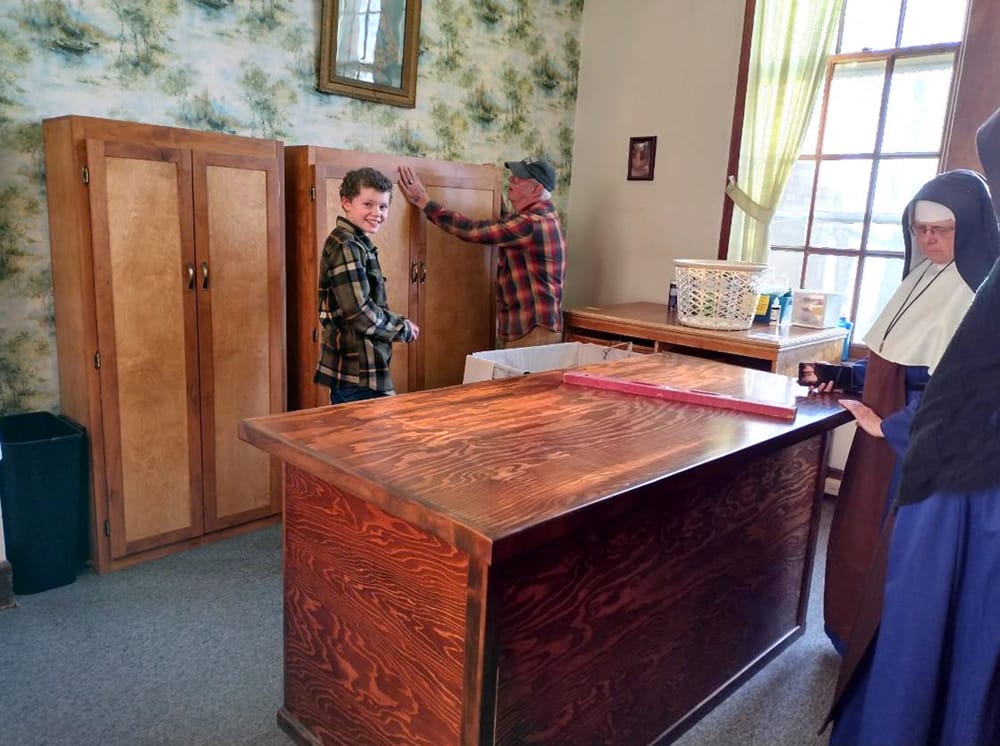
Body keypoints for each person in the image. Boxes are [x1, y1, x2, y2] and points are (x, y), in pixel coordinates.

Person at [827, 115, 1000, 746]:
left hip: (933, 451)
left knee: (919, 586)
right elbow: (892, 354)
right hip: (901, 430)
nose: (928, 240)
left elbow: (967, 391)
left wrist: (891, 426)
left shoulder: (983, 285)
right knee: (868, 542)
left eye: (942, 229)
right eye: (919, 228)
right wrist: (845, 378)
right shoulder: (917, 279)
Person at [397, 157, 566, 349]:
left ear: (536, 189)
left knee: (526, 380)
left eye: (519, 179)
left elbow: (472, 230)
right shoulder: (538, 218)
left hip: (534, 329)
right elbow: (506, 228)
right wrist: (490, 190)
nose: (511, 180)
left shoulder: (531, 223)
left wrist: (424, 202)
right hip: (533, 325)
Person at [313, 167, 419, 404]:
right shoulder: (347, 245)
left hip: (362, 371)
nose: (377, 213)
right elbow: (359, 312)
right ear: (346, 203)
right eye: (368, 204)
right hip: (358, 373)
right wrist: (402, 327)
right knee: (368, 440)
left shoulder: (356, 243)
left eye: (383, 206)